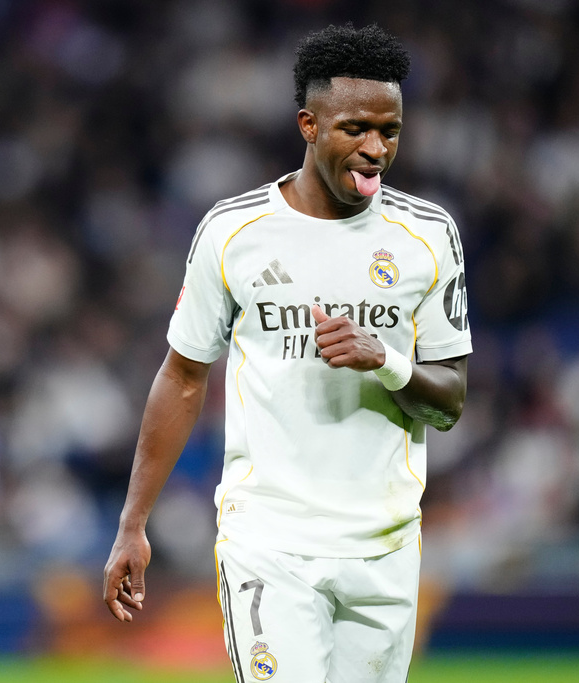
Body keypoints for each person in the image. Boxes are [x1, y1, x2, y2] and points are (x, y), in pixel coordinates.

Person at [103, 23, 471, 683]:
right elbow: (183, 376)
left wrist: (383, 359)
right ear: (308, 124)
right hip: (269, 540)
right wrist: (134, 522)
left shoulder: (428, 236)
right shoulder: (235, 231)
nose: (375, 148)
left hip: (384, 546)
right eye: (355, 128)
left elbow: (451, 400)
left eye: (390, 131)